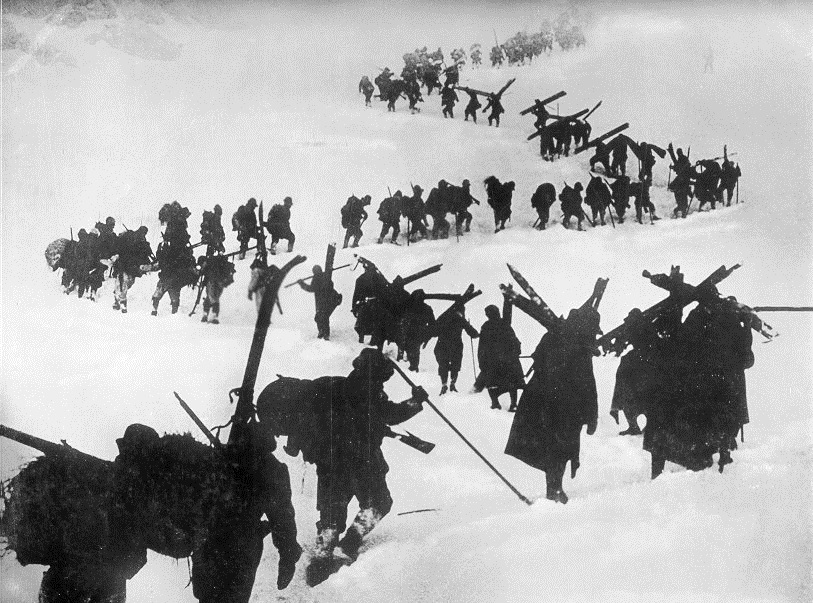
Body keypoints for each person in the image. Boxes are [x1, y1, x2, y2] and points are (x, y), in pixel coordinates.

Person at [306, 349, 428, 585]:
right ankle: (349, 544)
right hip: (362, 459)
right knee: (380, 501)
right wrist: (416, 401)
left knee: (332, 510)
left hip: (330, 458)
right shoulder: (372, 392)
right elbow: (391, 415)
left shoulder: (337, 386)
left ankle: (321, 557)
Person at [504, 307, 600, 504]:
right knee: (561, 448)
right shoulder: (580, 347)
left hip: (541, 400)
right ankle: (555, 489)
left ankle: (554, 488)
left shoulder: (553, 336)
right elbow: (588, 382)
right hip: (565, 405)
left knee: (552, 446)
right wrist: (592, 416)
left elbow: (537, 357)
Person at [475, 305, 524, 411]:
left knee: (492, 383)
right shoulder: (504, 324)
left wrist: (482, 361)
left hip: (494, 362)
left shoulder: (486, 326)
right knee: (512, 382)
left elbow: (482, 347)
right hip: (507, 361)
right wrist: (516, 353)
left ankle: (495, 403)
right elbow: (515, 340)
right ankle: (513, 404)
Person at [152, 202, 197, 316]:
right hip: (178, 258)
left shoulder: (174, 223)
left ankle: (156, 309)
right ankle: (173, 311)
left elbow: (173, 238)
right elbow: (182, 237)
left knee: (162, 287)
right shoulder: (179, 222)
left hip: (171, 261)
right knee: (174, 288)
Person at [433, 305, 479, 394]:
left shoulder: (444, 317)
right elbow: (472, 333)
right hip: (456, 345)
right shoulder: (460, 319)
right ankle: (452, 383)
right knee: (456, 364)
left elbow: (435, 331)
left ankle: (444, 384)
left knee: (443, 365)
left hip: (442, 344)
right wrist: (477, 334)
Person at [112, 226, 154, 313]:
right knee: (124, 282)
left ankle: (117, 298)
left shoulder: (140, 240)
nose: (144, 234)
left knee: (127, 282)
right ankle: (122, 303)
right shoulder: (131, 237)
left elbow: (144, 253)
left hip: (130, 266)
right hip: (125, 264)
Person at [297, 265, 342, 340]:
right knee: (321, 316)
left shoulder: (318, 278)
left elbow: (311, 288)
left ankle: (325, 333)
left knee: (322, 316)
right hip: (331, 300)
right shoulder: (326, 276)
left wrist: (302, 283)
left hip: (327, 301)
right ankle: (323, 332)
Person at [352, 261, 389, 345]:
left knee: (362, 322)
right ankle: (373, 339)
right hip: (377, 305)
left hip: (365, 305)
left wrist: (354, 307)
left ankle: (361, 338)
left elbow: (356, 295)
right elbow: (385, 292)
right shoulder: (380, 278)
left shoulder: (360, 279)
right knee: (376, 323)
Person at [397, 289, 435, 371]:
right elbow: (432, 323)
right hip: (416, 332)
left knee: (412, 348)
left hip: (413, 331)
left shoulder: (411, 307)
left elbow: (432, 323)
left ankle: (413, 366)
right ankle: (413, 365)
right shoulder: (426, 308)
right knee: (413, 348)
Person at [197, 254, 236, 324]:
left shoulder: (211, 265)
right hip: (220, 283)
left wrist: (206, 283)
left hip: (215, 283)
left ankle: (211, 316)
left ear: (204, 262)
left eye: (201, 264)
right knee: (212, 298)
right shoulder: (210, 264)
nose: (202, 266)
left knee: (212, 298)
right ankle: (211, 316)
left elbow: (211, 276)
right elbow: (208, 276)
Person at [667, 143, 694, 218]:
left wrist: (673, 167)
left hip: (681, 184)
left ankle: (680, 213)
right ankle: (682, 214)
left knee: (682, 203)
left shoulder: (683, 159)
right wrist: (673, 167)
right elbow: (677, 166)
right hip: (682, 185)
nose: (679, 154)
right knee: (683, 203)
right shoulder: (682, 159)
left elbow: (677, 166)